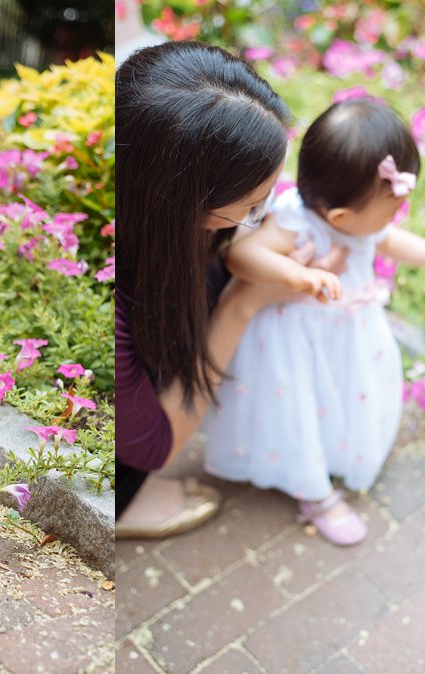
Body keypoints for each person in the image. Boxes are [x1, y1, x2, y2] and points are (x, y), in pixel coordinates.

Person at [202, 99, 425, 545]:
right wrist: (296, 274)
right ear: (339, 218)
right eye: (391, 208)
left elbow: (387, 238)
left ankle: (335, 452)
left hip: (348, 333)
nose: (393, 218)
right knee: (300, 407)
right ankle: (314, 491)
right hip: (296, 341)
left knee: (344, 396)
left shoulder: (357, 217)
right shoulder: (295, 220)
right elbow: (242, 255)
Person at [115, 41, 349, 538]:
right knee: (133, 466)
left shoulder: (157, 211)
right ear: (180, 202)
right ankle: (123, 504)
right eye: (252, 206)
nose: (262, 215)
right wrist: (244, 301)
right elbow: (152, 446)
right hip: (134, 447)